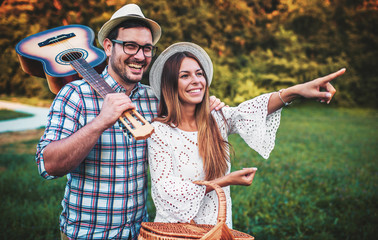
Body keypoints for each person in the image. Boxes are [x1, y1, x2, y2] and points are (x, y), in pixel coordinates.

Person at [35, 4, 223, 240]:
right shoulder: (75, 94)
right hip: (86, 234)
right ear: (108, 46)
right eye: (130, 46)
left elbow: (191, 119)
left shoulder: (154, 99)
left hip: (139, 233)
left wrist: (210, 103)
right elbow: (47, 166)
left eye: (147, 48)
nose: (140, 56)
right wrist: (100, 122)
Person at [147, 42, 346, 228]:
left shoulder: (216, 118)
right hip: (174, 233)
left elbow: (251, 110)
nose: (196, 81)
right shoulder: (159, 132)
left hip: (218, 229)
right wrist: (225, 181)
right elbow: (165, 191)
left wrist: (297, 91)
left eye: (199, 73)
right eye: (185, 76)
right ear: (170, 85)